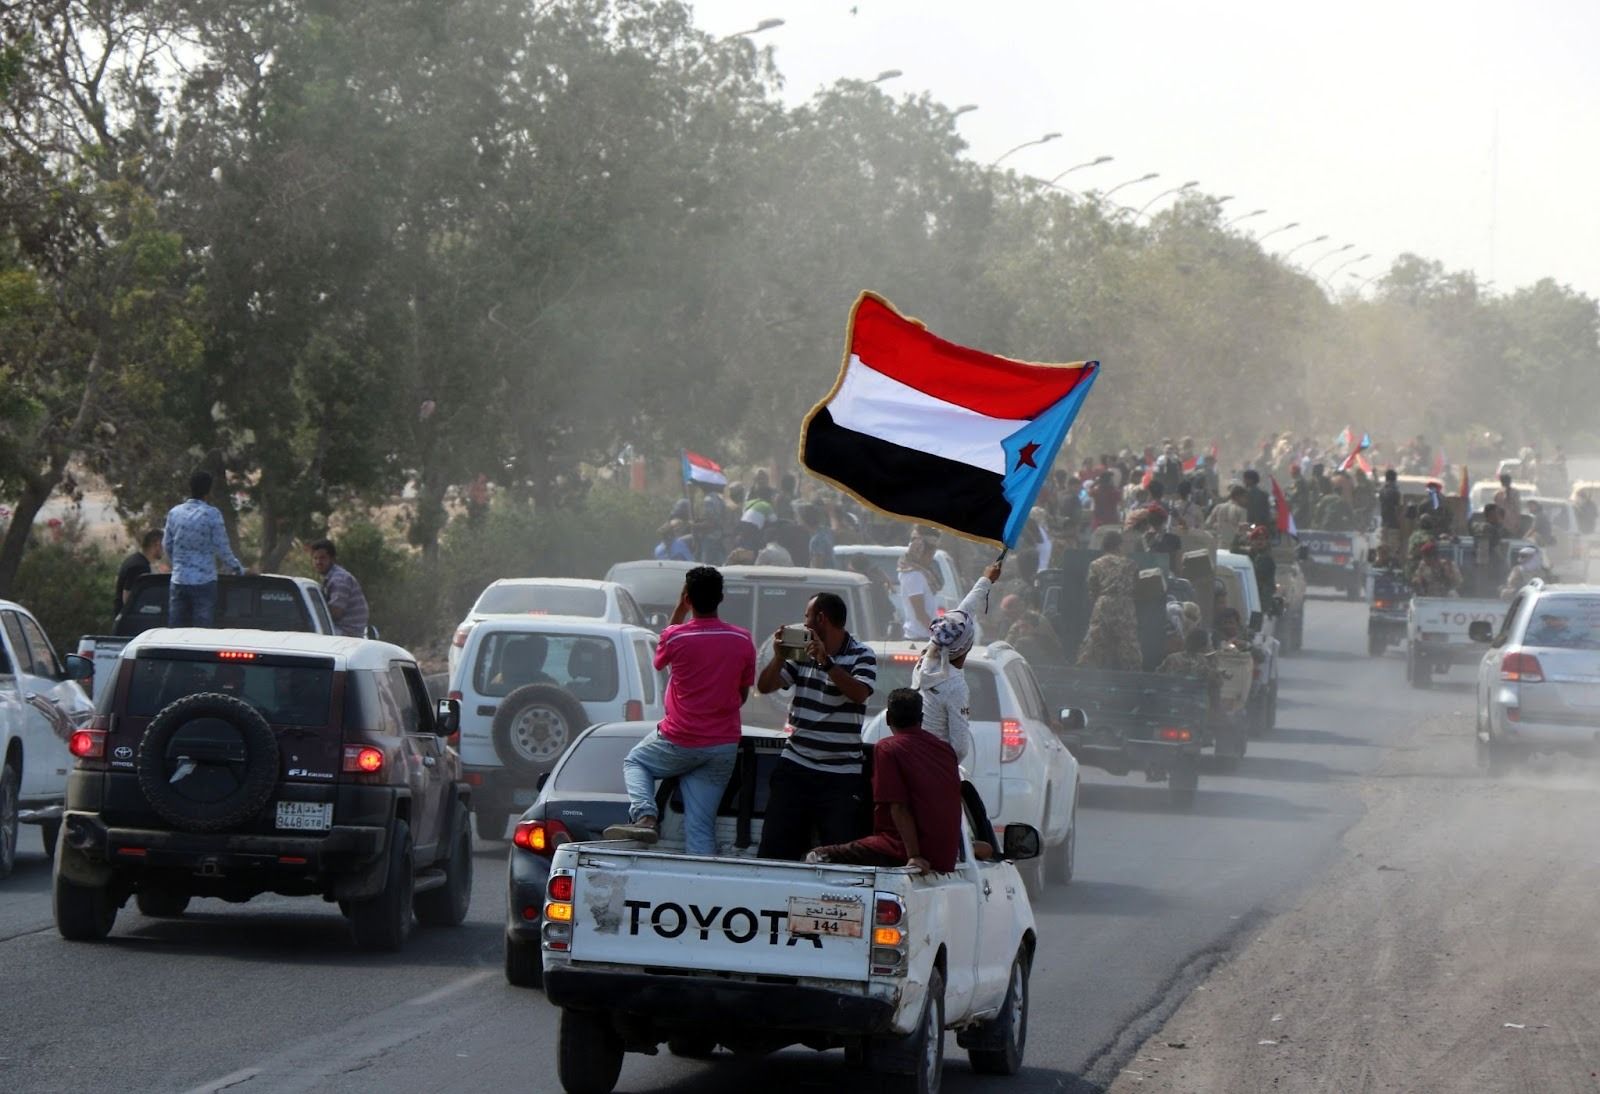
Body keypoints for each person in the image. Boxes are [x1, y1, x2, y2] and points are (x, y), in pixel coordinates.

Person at [604, 567, 756, 853]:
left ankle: (646, 817)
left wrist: (679, 608)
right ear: (721, 598)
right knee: (700, 828)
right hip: (722, 746)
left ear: (687, 598)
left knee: (635, 762)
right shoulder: (742, 640)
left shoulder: (676, 637)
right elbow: (742, 694)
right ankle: (704, 889)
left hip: (678, 739)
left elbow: (660, 660)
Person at [755, 592, 877, 861]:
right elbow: (764, 687)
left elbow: (859, 693)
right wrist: (778, 657)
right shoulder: (801, 653)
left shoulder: (862, 654)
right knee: (775, 850)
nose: (804, 622)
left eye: (807, 616)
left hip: (840, 774)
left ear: (821, 619)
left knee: (839, 855)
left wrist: (827, 663)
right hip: (796, 766)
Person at [806, 688, 960, 873]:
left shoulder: (888, 749)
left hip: (901, 850)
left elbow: (898, 807)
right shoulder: (945, 751)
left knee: (818, 855)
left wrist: (914, 856)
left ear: (888, 718)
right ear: (922, 717)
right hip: (944, 857)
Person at [913, 559, 1004, 764]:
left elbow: (965, 609)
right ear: (967, 646)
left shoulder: (933, 648)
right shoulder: (955, 686)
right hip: (935, 766)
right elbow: (960, 747)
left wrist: (986, 580)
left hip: (914, 758)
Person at [163, 469, 244, 627]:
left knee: (175, 631)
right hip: (204, 582)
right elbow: (222, 548)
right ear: (209, 491)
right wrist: (237, 568)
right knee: (201, 633)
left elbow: (167, 544)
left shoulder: (174, 513)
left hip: (179, 580)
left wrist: (178, 564)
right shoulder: (212, 514)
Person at [1077, 530, 1143, 671]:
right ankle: (1134, 677)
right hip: (1125, 605)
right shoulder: (1131, 564)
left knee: (1094, 643)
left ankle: (1084, 674)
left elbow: (1092, 590)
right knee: (1129, 645)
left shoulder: (1095, 564)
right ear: (1119, 546)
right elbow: (1138, 588)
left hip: (1103, 603)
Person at [310, 539, 370, 638]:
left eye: (322, 558)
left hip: (346, 634)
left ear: (332, 559)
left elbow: (336, 611)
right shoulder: (331, 577)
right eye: (315, 558)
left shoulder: (339, 579)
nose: (318, 562)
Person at [114, 529, 164, 620]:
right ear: (157, 544)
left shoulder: (137, 560)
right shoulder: (139, 566)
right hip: (130, 621)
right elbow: (127, 597)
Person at [897, 534, 938, 640]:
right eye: (929, 555)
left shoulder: (917, 573)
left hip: (922, 635)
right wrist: (937, 633)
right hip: (920, 636)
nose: (931, 559)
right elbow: (920, 613)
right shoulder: (914, 575)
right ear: (919, 554)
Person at [1242, 524, 1278, 613]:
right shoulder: (1253, 555)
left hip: (1259, 602)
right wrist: (1239, 534)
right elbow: (1234, 550)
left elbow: (1256, 576)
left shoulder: (1266, 559)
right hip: (1252, 601)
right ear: (1251, 541)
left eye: (1262, 539)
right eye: (1256, 539)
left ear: (1266, 542)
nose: (1259, 542)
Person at [1206, 485, 1250, 549]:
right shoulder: (1241, 511)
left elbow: (1207, 524)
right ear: (1237, 496)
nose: (1246, 500)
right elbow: (1243, 532)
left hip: (1219, 545)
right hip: (1234, 546)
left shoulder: (1218, 507)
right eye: (1244, 497)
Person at [1379, 469, 1403, 559]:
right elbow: (1398, 509)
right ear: (1395, 479)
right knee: (1393, 550)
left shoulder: (1382, 491)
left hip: (1384, 524)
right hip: (1394, 525)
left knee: (1383, 548)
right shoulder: (1396, 492)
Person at [802, 503, 836, 568]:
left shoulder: (816, 540)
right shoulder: (826, 531)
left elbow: (817, 567)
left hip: (825, 576)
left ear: (804, 520)